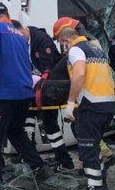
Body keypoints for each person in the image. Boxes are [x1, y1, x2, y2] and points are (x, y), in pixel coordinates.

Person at [0, 2, 53, 189]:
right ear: (6, 15)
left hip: (3, 94)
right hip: (24, 93)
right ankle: (40, 168)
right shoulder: (20, 34)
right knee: (16, 132)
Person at [57, 25, 115, 190]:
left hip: (91, 106)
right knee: (95, 146)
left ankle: (95, 187)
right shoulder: (96, 50)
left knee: (88, 152)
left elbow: (79, 74)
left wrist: (70, 102)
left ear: (66, 41)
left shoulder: (76, 50)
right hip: (108, 105)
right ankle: (101, 184)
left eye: (63, 44)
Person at [12, 19, 74, 172]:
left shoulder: (40, 39)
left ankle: (64, 160)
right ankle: (29, 154)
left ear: (21, 29)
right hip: (37, 87)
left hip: (50, 87)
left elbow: (47, 68)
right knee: (28, 117)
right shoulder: (24, 43)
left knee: (49, 123)